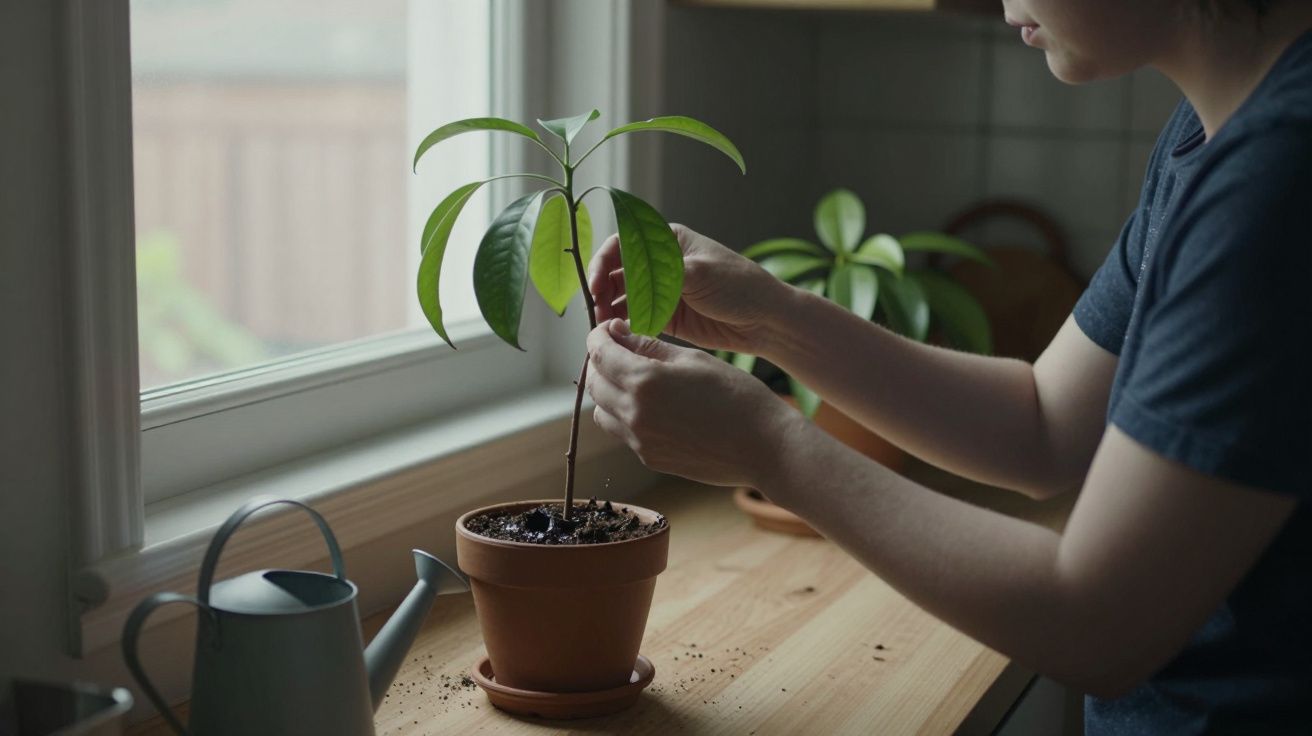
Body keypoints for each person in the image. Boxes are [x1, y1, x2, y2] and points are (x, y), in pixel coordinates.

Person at [584, 1, 1312, 732]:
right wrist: (775, 318)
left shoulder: (1280, 175)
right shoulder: (1212, 135)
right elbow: (1044, 423)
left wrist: (764, 444)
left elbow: (1098, 621)